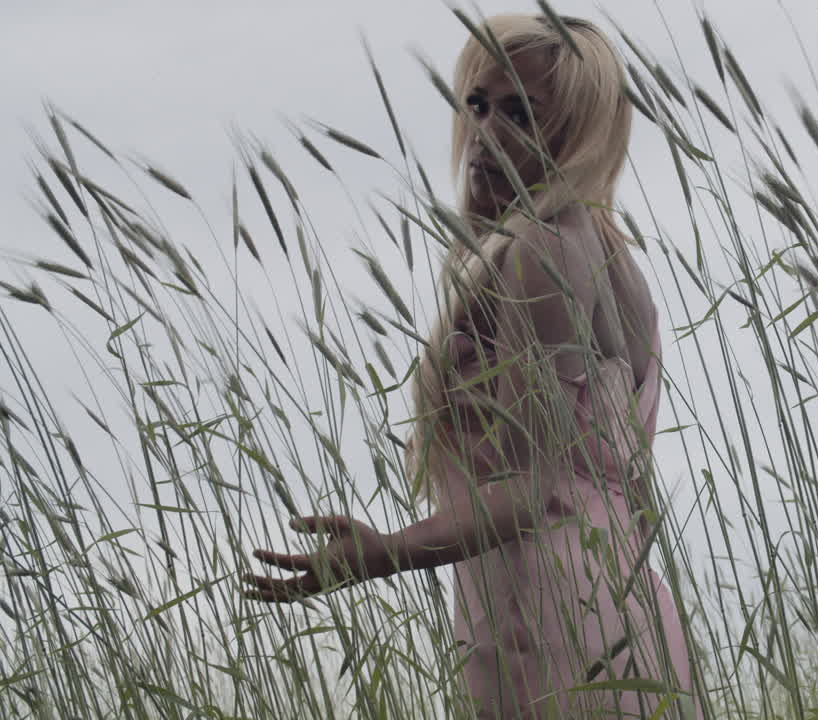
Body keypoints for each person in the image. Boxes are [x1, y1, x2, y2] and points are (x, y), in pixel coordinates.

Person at [242, 12, 702, 719]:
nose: (485, 133)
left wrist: (381, 552)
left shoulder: (540, 252)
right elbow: (615, 485)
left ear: (575, 132)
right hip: (621, 616)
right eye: (479, 104)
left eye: (522, 112)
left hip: (553, 619)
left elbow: (531, 490)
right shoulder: (608, 253)